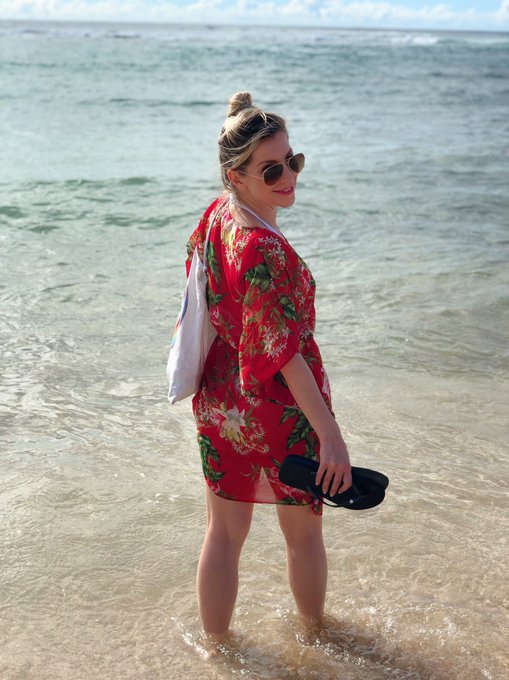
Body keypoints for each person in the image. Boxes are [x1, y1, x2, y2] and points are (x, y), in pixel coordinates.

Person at [185, 92, 352, 637]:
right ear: (236, 175)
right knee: (302, 536)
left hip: (221, 403)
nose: (288, 177)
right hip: (282, 411)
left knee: (223, 535)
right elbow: (282, 352)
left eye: (292, 161)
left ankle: (217, 653)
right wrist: (329, 434)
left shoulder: (217, 217)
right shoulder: (263, 247)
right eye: (272, 169)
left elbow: (203, 293)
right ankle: (315, 639)